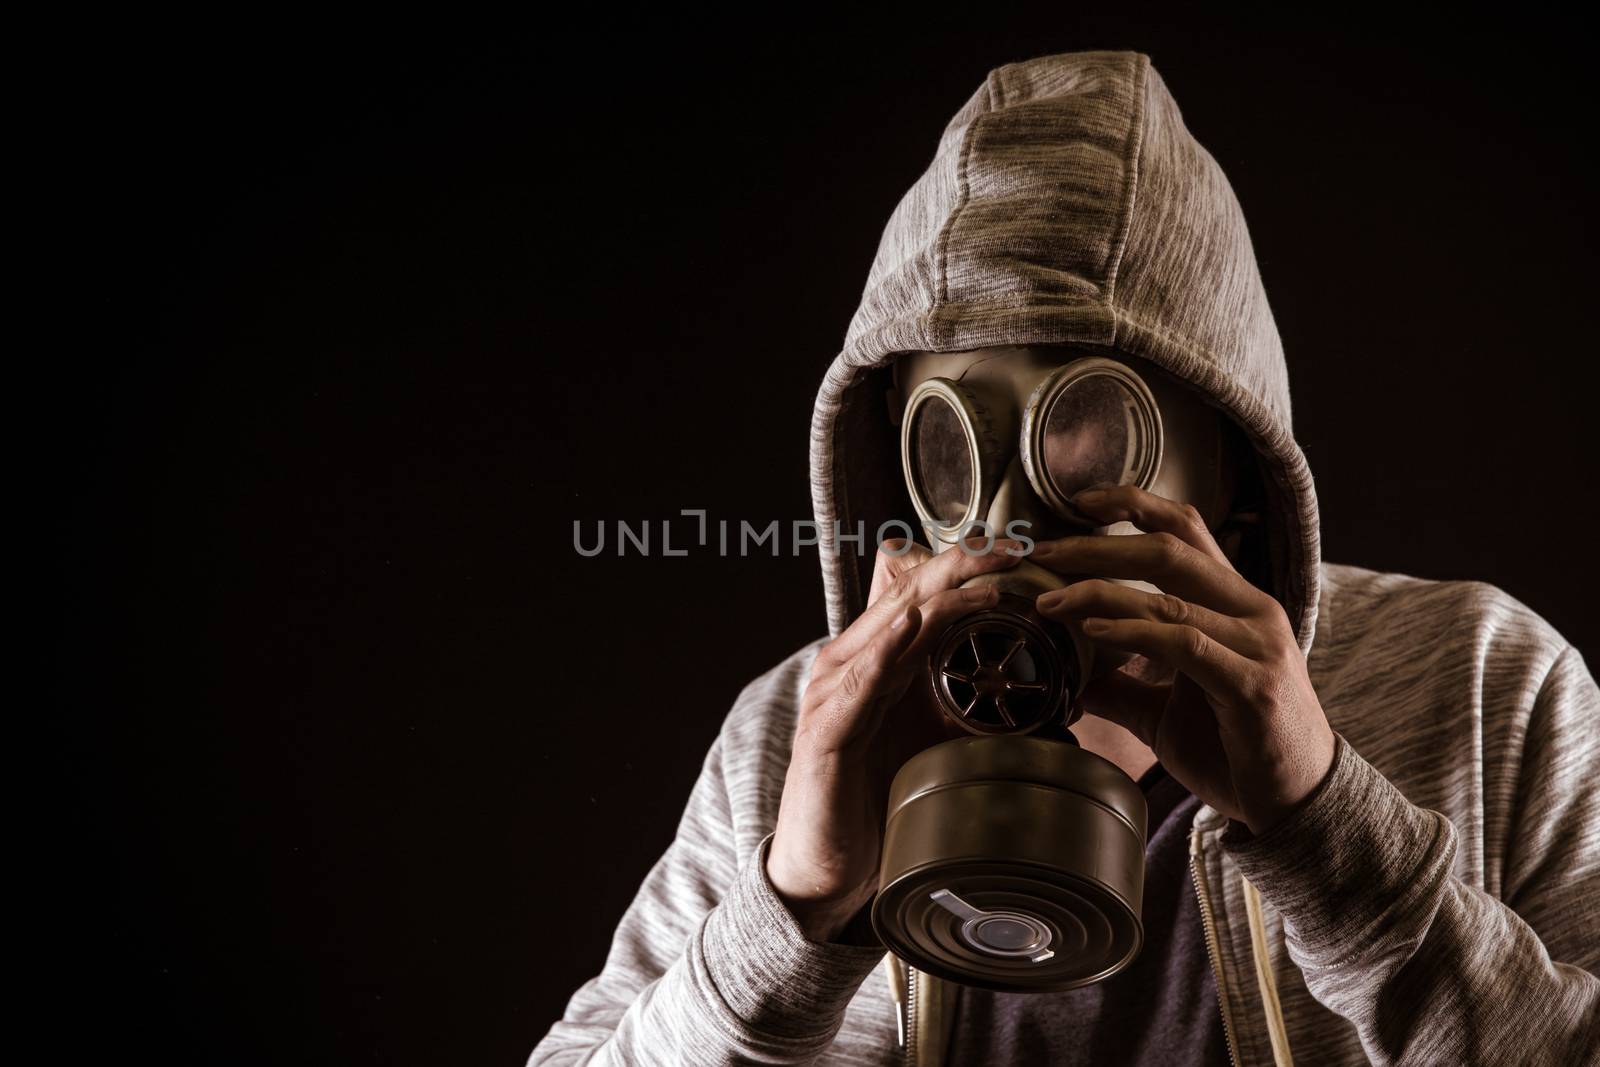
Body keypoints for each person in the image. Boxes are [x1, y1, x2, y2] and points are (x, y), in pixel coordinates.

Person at [529, 49, 1599, 1066]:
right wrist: (795, 906)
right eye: (947, 443)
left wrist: (1333, 839)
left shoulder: (1478, 687)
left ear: (1231, 470)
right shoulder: (798, 740)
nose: (1004, 516)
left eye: (1085, 431)